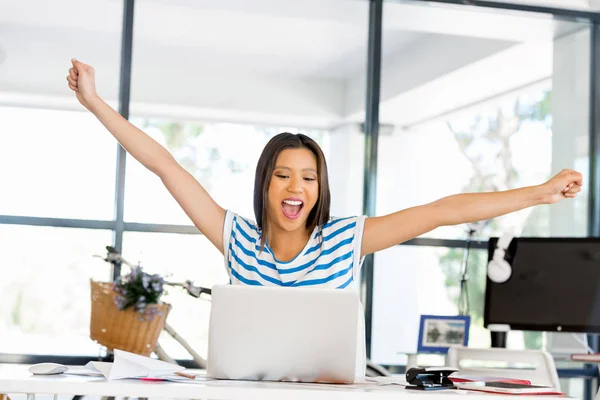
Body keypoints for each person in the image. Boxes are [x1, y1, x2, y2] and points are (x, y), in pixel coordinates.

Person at [67, 58, 582, 374]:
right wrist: (94, 102)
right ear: (265, 183)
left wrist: (537, 194)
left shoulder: (346, 240)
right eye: (283, 175)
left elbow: (440, 211)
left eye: (309, 177)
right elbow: (164, 163)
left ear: (320, 188)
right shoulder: (236, 239)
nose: (297, 187)